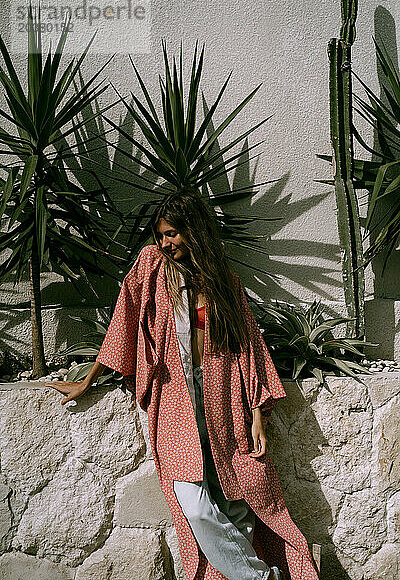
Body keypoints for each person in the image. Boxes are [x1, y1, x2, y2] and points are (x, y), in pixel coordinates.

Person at [46, 188, 320, 580]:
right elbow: (124, 319)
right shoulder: (153, 268)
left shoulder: (225, 281)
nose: (165, 242)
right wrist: (88, 380)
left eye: (172, 233)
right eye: (160, 235)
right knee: (194, 504)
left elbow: (249, 349)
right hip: (175, 402)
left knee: (237, 498)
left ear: (194, 231)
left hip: (223, 399)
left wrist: (258, 416)